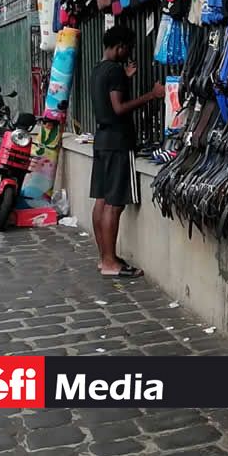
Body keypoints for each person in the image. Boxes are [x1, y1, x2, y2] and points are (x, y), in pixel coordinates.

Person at [90, 25, 162, 278]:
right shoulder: (115, 71)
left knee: (101, 201)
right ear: (120, 47)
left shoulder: (99, 69)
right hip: (118, 142)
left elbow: (108, 100)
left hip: (101, 139)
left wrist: (127, 79)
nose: (129, 53)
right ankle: (111, 262)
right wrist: (152, 95)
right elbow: (119, 108)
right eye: (128, 48)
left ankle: (104, 258)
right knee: (114, 204)